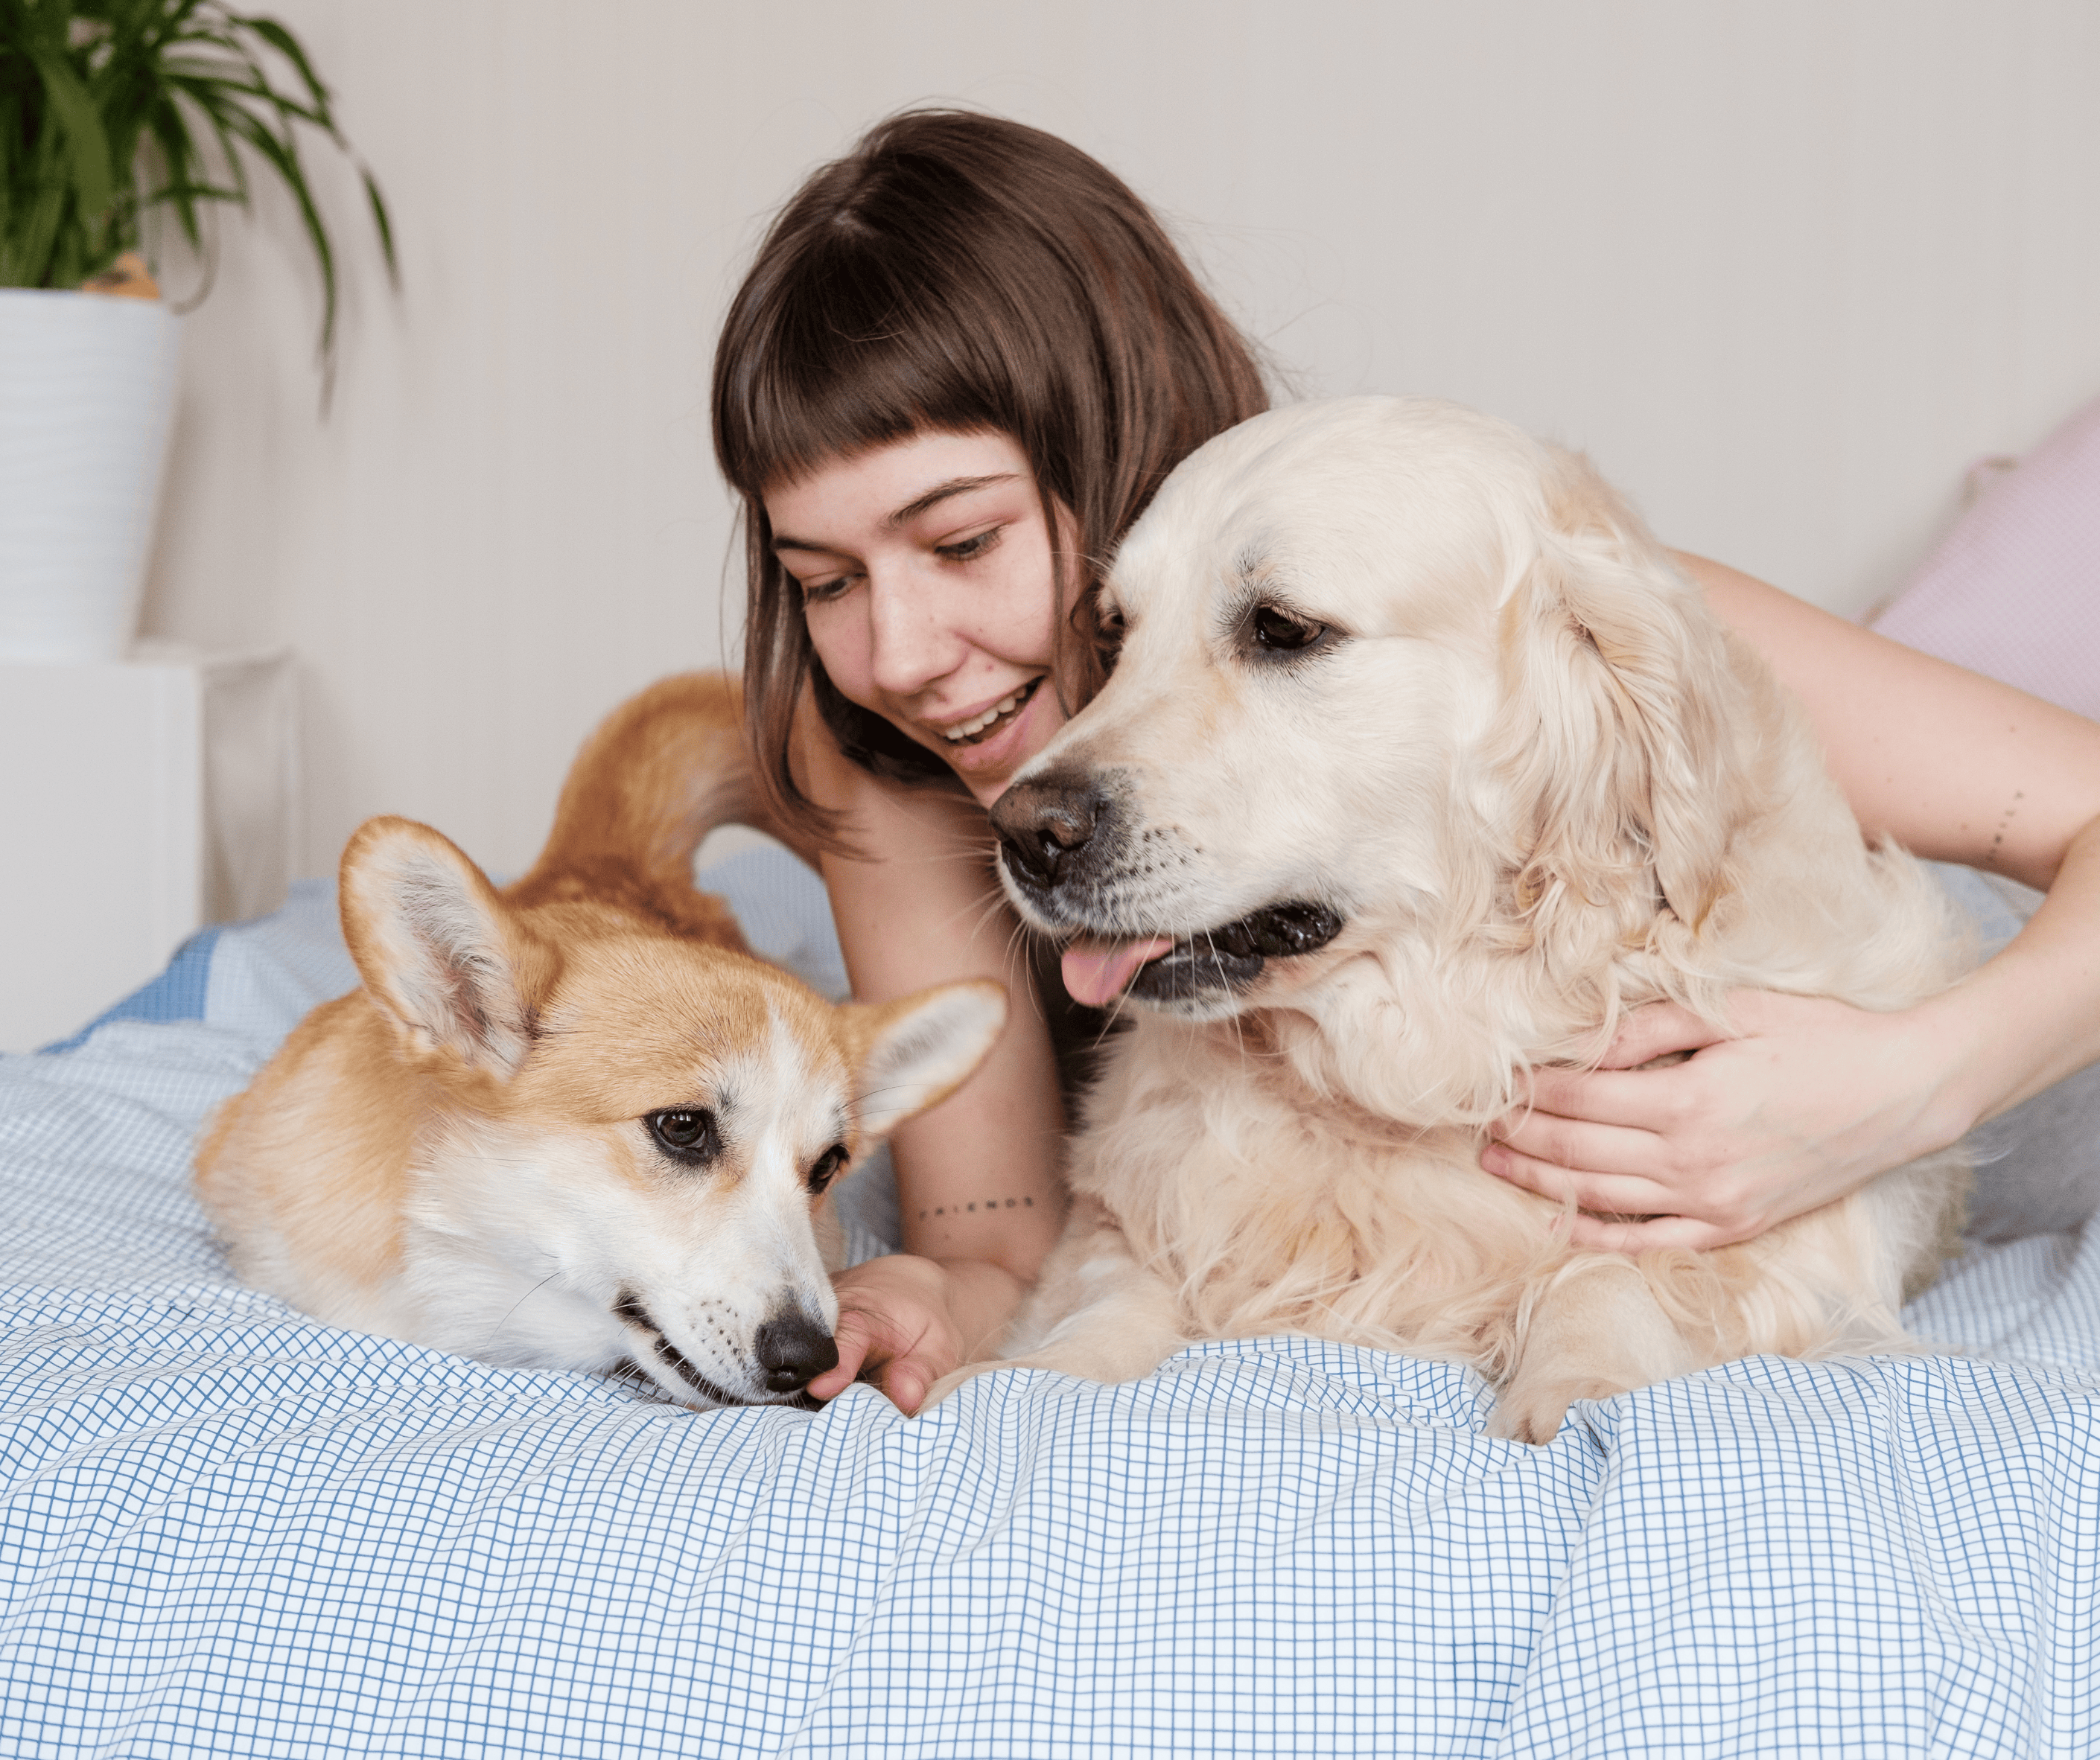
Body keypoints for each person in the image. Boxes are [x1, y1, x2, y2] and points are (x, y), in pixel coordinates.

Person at [710, 109, 2100, 1415]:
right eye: (823, 580)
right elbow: (997, 1229)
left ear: (1115, 459)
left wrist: (1900, 1088)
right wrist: (922, 1287)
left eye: (962, 543)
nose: (898, 654)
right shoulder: (889, 760)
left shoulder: (1595, 621)